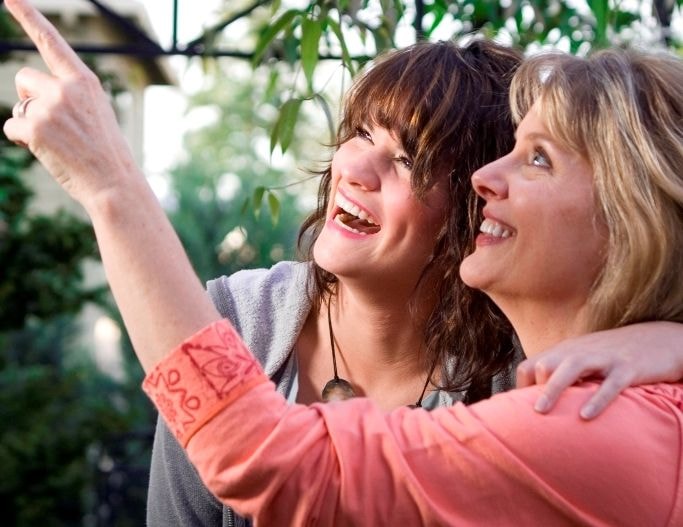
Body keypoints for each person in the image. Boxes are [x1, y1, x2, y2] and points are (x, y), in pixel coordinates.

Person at [3, 0, 683, 524]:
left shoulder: (556, 393)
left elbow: (269, 460)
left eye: (410, 157)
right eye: (359, 132)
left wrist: (110, 181)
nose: (352, 165)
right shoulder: (232, 319)